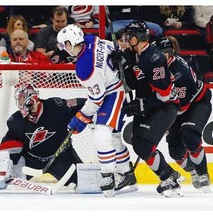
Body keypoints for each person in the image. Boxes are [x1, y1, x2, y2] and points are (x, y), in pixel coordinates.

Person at [57, 24, 138, 197]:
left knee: (101, 133)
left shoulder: (84, 67)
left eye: (66, 44)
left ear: (74, 41)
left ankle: (108, 176)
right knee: (114, 136)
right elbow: (110, 46)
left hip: (114, 92)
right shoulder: (90, 39)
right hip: (116, 85)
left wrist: (81, 117)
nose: (64, 49)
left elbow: (96, 99)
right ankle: (127, 174)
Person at [118, 20, 182, 197]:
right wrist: (123, 61)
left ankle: (169, 178)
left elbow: (165, 93)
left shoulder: (155, 58)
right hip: (147, 104)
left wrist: (140, 105)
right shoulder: (136, 54)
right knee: (138, 144)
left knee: (144, 145)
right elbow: (132, 82)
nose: (125, 39)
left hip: (164, 106)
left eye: (128, 36)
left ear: (137, 37)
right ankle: (171, 174)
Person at [0, 84, 86, 187]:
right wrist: (5, 166)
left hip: (61, 158)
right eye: (18, 99)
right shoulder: (16, 121)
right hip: (32, 162)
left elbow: (86, 104)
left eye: (21, 98)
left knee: (84, 183)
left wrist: (90, 115)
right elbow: (9, 147)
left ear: (31, 96)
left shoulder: (55, 106)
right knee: (9, 182)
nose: (19, 102)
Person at [157, 36, 212, 193]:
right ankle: (193, 171)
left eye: (162, 55)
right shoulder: (160, 66)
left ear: (169, 54)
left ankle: (202, 174)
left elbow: (181, 108)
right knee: (174, 150)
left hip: (197, 103)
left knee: (189, 135)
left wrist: (162, 121)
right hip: (177, 105)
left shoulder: (180, 74)